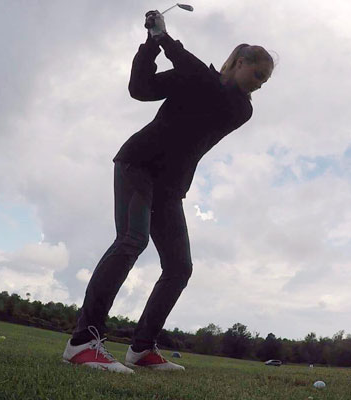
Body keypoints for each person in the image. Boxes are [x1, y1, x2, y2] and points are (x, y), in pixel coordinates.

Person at [62, 10, 274, 373]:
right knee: (132, 240)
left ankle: (142, 349)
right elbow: (140, 89)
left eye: (265, 81)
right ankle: (82, 340)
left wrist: (165, 39)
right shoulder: (195, 77)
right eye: (258, 74)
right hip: (138, 164)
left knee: (179, 267)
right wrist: (150, 45)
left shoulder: (240, 107)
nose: (260, 84)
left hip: (170, 186)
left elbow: (207, 86)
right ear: (240, 62)